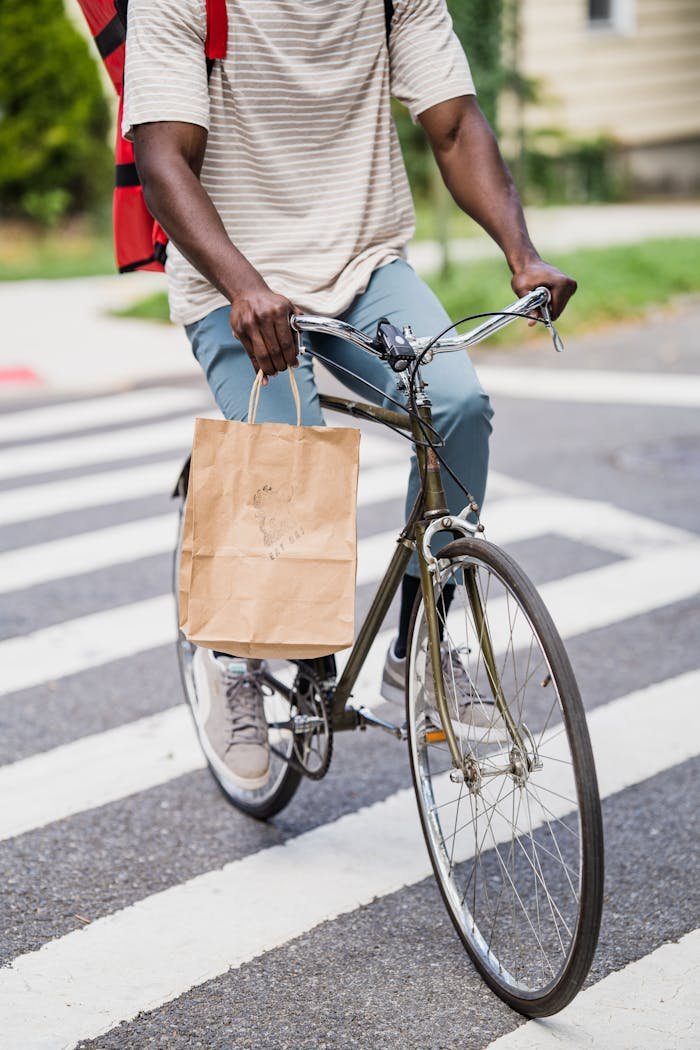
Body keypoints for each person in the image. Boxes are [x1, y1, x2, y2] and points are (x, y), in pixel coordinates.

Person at [124, 0, 576, 791]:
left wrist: (522, 253)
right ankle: (233, 655)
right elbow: (164, 159)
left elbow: (457, 125)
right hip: (231, 275)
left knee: (458, 405)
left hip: (364, 264)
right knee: (285, 443)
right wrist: (244, 287)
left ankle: (421, 652)